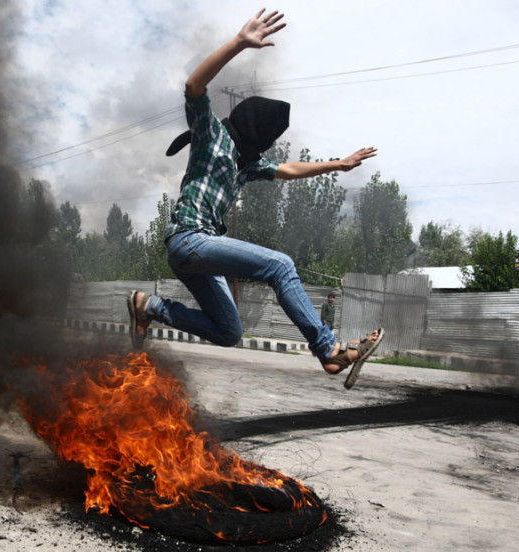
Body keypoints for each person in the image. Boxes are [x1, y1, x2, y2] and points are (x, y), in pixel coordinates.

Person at [126, 9, 383, 389]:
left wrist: (338, 165)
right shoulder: (212, 136)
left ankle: (150, 307)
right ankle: (328, 350)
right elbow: (194, 87)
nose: (265, 150)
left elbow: (289, 169)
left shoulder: (246, 164)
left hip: (196, 256)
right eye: (264, 141)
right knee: (280, 266)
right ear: (250, 131)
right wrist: (239, 42)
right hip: (188, 239)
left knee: (229, 331)